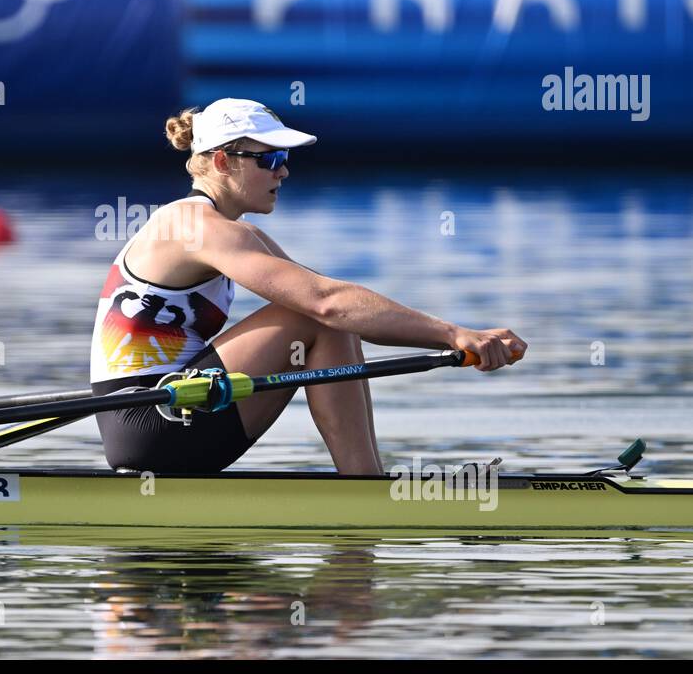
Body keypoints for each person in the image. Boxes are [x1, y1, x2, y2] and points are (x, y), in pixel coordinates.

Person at [89, 98, 526, 475]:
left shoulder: (236, 234)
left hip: (179, 411)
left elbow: (346, 312)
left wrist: (454, 337)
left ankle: (366, 482)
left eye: (285, 159)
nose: (284, 172)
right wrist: (453, 334)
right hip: (148, 419)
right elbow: (326, 305)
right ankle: (366, 491)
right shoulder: (193, 225)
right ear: (223, 161)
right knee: (314, 315)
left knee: (330, 319)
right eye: (271, 159)